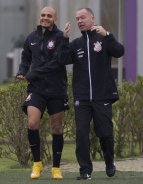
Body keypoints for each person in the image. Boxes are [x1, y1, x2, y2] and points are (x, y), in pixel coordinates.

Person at [59, 8, 124, 180]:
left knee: (105, 133)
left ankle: (109, 162)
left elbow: (119, 51)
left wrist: (108, 34)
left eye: (83, 17)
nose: (79, 21)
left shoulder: (103, 38)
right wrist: (64, 40)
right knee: (81, 134)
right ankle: (85, 170)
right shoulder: (75, 44)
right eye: (77, 18)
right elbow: (62, 60)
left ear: (92, 18)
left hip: (102, 96)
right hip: (82, 99)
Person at [16, 6, 68, 180]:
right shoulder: (32, 37)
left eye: (49, 16)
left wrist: (31, 74)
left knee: (57, 128)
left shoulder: (61, 37)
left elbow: (56, 63)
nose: (45, 18)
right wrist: (22, 71)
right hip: (36, 89)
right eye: (43, 15)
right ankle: (37, 164)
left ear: (55, 19)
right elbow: (25, 57)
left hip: (56, 89)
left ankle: (56, 168)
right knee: (32, 123)